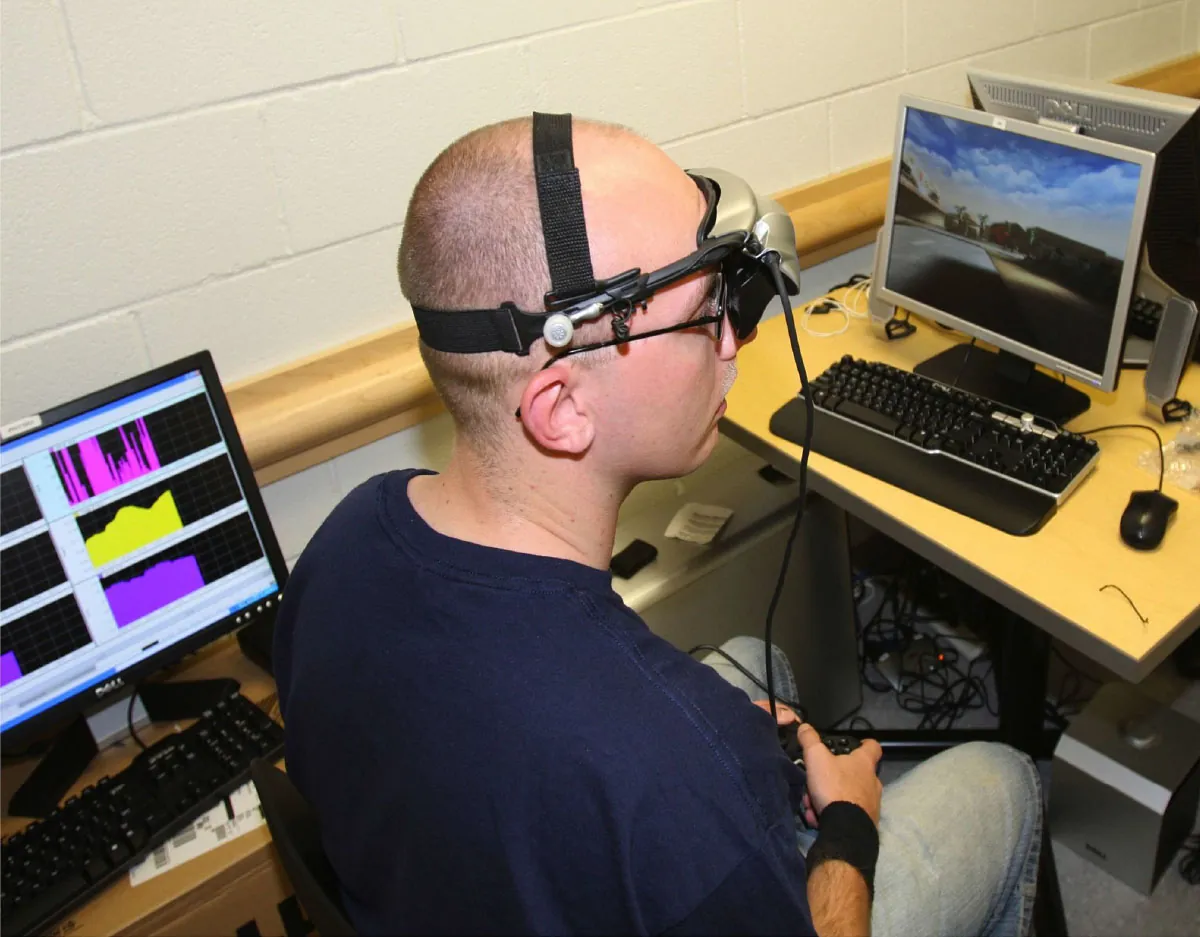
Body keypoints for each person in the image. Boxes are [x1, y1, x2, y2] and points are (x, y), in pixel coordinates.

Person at [274, 115, 1043, 936]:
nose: (735, 343)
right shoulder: (670, 775)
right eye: (706, 311)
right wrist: (848, 828)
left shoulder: (345, 540)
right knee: (1002, 780)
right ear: (561, 407)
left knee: (755, 666)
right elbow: (655, 771)